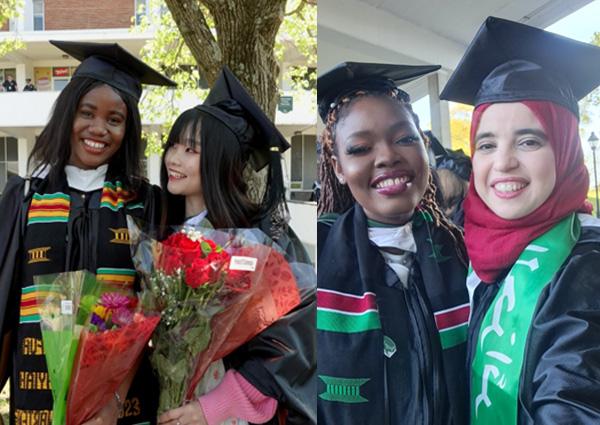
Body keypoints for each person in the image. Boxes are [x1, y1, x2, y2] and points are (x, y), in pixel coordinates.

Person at [0, 40, 175, 425]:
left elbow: (158, 306)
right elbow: (4, 310)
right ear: (68, 114)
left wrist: (114, 398)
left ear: (128, 129)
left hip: (120, 404)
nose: (99, 129)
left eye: (115, 119)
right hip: (37, 391)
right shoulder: (25, 198)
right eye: (87, 113)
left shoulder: (146, 204)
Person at [440, 16, 600, 425]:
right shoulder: (479, 247)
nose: (503, 162)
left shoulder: (586, 265)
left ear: (565, 151)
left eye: (530, 140)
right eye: (487, 144)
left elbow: (573, 391)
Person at [156, 67, 315, 425]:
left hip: (233, 413)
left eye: (191, 150)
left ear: (222, 161)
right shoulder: (162, 233)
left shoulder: (262, 237)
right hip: (172, 404)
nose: (173, 159)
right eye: (173, 145)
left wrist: (218, 405)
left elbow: (296, 332)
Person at [317, 62, 469, 425]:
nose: (386, 156)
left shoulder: (465, 253)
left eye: (404, 138)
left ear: (425, 147)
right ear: (337, 167)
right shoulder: (316, 261)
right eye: (359, 148)